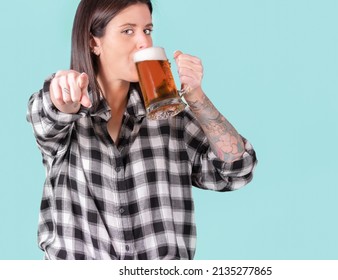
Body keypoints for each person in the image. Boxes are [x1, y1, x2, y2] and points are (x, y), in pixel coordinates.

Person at [27, 0, 257, 260]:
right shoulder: (64, 111)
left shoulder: (171, 118)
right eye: (128, 31)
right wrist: (62, 98)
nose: (144, 43)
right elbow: (46, 116)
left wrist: (197, 99)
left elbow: (236, 171)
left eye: (147, 30)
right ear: (94, 43)